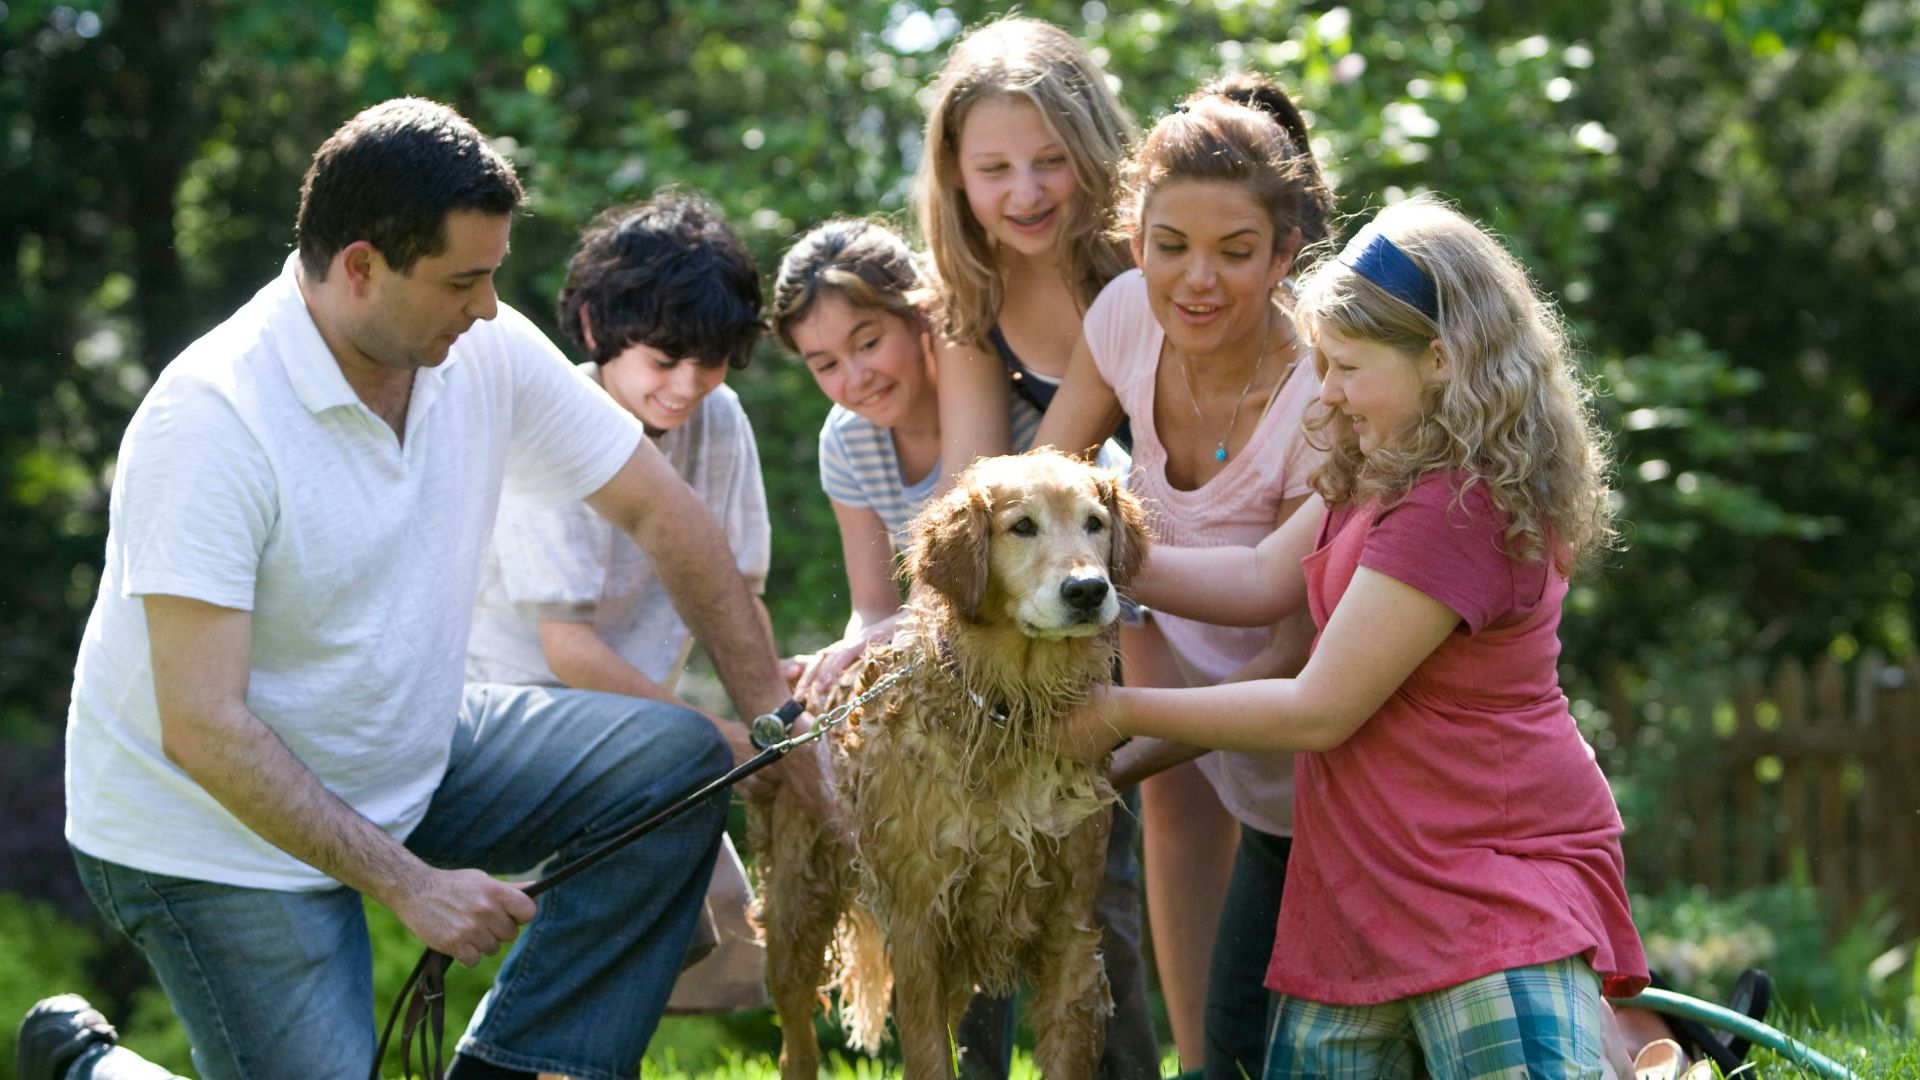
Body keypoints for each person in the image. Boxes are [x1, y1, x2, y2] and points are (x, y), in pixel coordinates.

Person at [23, 98, 810, 1080]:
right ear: (360, 268)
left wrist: (779, 727)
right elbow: (203, 727)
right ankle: (96, 1070)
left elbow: (666, 517)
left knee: (677, 758)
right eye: (462, 281)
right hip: (211, 833)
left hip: (406, 746)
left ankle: (519, 1068)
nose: (488, 307)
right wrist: (411, 886)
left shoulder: (479, 347)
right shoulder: (211, 420)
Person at [1055, 196, 1651, 1078]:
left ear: (1441, 361)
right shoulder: (1380, 467)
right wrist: (1090, 554)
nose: (1324, 392)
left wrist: (1111, 711)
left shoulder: (1460, 504)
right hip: (1365, 884)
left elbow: (1317, 709)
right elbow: (1262, 578)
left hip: (1486, 884)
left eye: (1346, 367)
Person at [771, 218, 1157, 1080]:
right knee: (946, 900)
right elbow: (873, 606)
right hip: (944, 689)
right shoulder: (847, 444)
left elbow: (1093, 546)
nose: (855, 375)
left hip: (1066, 682)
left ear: (922, 319)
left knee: (1096, 905)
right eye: (824, 363)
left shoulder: (1024, 424)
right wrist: (838, 666)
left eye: (868, 340)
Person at [1032, 74, 1334, 1078]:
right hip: (1250, 784)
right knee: (1229, 1060)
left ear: (1287, 255)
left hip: (1341, 772)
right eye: (1170, 247)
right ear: (1134, 238)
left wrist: (1114, 747)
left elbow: (1289, 637)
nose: (1196, 281)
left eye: (1236, 253)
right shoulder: (1123, 318)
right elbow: (1042, 486)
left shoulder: (1326, 395)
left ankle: (1659, 1046)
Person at [463, 191, 774, 1017]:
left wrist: (774, 722)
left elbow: (737, 598)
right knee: (627, 930)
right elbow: (566, 648)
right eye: (665, 360)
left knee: (674, 949)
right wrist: (716, 738)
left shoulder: (721, 419)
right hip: (520, 716)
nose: (687, 386)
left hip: (640, 724)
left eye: (709, 364)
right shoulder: (550, 418)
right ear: (600, 330)